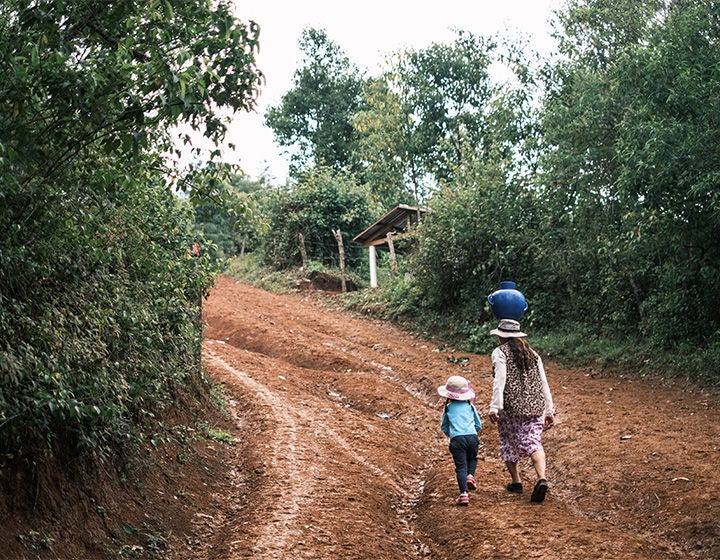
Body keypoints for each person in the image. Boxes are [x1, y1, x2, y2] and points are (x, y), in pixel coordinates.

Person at [487, 318, 555, 503]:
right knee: (534, 442)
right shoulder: (533, 354)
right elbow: (543, 382)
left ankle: (516, 481)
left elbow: (499, 380)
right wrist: (549, 410)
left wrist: (495, 406)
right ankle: (541, 477)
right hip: (535, 406)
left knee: (508, 441)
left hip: (511, 407)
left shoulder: (499, 352)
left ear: (501, 337)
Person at [437, 375, 482, 506]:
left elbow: (444, 427)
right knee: (472, 458)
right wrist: (471, 433)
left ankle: (463, 494)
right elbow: (478, 424)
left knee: (461, 466)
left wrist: (452, 436)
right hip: (472, 437)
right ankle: (470, 476)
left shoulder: (448, 408)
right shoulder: (471, 407)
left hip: (457, 439)